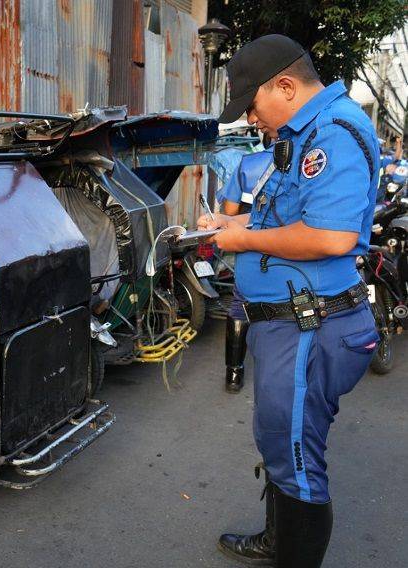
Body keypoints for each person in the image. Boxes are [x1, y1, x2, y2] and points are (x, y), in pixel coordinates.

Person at [200, 35, 380, 567]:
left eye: (252, 106)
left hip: (311, 328)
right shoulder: (304, 131)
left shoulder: (335, 133)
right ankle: (278, 541)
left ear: (285, 86)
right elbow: (289, 216)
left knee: (298, 460)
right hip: (289, 326)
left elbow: (331, 238)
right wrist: (233, 223)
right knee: (282, 444)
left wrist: (243, 240)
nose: (251, 120)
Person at [216, 148, 273, 393]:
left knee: (241, 305)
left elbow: (228, 212)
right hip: (289, 247)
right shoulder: (303, 159)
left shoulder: (249, 164)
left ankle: (234, 373)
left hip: (249, 245)